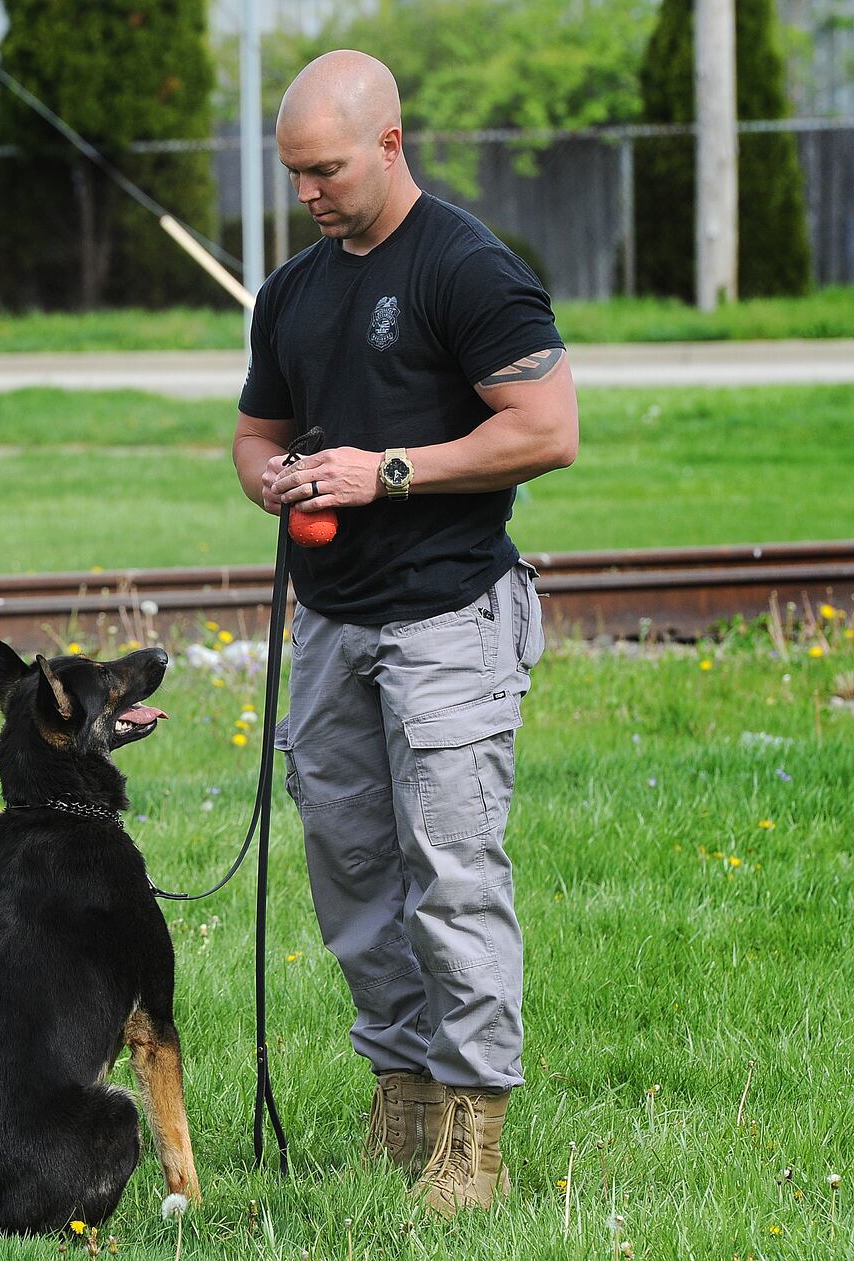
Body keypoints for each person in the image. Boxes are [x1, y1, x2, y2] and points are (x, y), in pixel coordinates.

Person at [233, 51, 578, 1217]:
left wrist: (383, 472)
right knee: (352, 871)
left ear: (388, 145)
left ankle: (473, 1132)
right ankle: (403, 1099)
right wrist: (276, 479)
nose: (308, 195)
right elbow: (253, 434)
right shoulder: (292, 288)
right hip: (331, 624)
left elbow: (544, 428)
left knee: (451, 874)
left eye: (324, 170)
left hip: (446, 618)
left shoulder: (469, 268)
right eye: (293, 176)